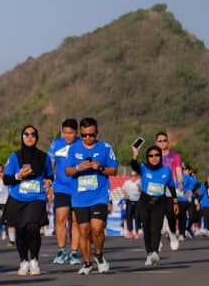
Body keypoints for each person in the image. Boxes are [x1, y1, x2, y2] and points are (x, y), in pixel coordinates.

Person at [64, 117, 118, 274]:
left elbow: (113, 170)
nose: (88, 138)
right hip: (80, 197)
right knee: (83, 230)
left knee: (97, 228)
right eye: (85, 135)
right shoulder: (73, 149)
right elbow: (67, 171)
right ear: (81, 133)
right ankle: (87, 263)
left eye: (92, 135)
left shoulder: (105, 148)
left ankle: (99, 255)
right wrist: (78, 167)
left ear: (97, 133)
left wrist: (99, 167)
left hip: (99, 195)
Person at [2, 125, 53, 275]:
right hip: (18, 198)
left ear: (37, 137)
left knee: (32, 227)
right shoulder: (14, 157)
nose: (30, 137)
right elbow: (6, 179)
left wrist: (49, 181)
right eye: (26, 134)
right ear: (22, 137)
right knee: (21, 230)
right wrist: (19, 175)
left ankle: (34, 260)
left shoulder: (44, 157)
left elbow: (50, 175)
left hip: (36, 197)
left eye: (33, 134)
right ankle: (23, 260)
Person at [130, 143, 178, 266]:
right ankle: (149, 254)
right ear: (147, 157)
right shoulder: (143, 168)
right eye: (151, 155)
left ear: (160, 156)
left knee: (156, 228)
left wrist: (175, 202)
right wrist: (135, 153)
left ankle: (155, 252)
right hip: (145, 201)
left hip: (159, 202)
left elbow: (171, 187)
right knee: (147, 228)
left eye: (157, 155)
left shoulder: (166, 170)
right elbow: (134, 165)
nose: (154, 157)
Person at [48, 118, 82, 266]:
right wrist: (48, 181)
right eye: (65, 132)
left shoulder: (82, 144)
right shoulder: (56, 144)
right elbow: (50, 165)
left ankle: (74, 252)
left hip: (78, 188)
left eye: (71, 133)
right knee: (60, 219)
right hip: (61, 187)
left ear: (77, 132)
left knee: (75, 221)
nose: (67, 136)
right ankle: (61, 250)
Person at [121, 169, 141, 239]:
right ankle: (130, 231)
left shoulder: (139, 182)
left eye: (135, 175)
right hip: (129, 201)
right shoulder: (127, 182)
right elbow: (123, 189)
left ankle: (137, 232)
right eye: (132, 175)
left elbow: (142, 192)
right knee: (129, 216)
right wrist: (125, 194)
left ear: (137, 176)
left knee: (137, 217)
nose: (133, 177)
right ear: (130, 176)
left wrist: (139, 187)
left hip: (138, 202)